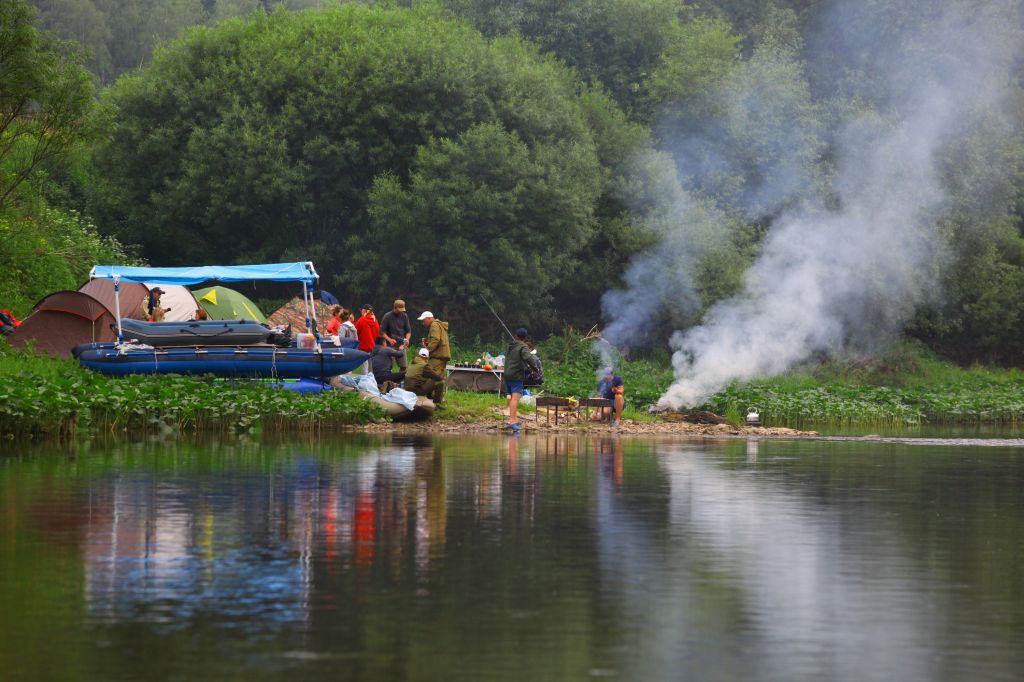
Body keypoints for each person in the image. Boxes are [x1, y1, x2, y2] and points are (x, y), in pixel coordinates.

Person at [503, 327, 541, 432]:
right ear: (525, 337)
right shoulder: (523, 346)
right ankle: (512, 421)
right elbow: (528, 357)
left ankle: (513, 419)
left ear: (516, 335)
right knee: (516, 398)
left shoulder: (511, 345)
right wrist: (535, 368)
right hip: (516, 375)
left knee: (511, 398)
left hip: (507, 374)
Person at [418, 310, 450, 403]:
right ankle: (435, 398)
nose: (423, 323)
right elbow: (437, 340)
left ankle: (437, 399)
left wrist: (426, 351)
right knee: (436, 376)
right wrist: (428, 343)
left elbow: (435, 340)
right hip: (440, 355)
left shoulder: (434, 325)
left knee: (431, 375)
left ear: (429, 318)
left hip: (438, 356)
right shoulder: (437, 324)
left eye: (423, 320)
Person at [379, 299, 412, 370]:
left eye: (402, 310)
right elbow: (382, 331)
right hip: (389, 345)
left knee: (404, 366)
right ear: (395, 307)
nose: (401, 312)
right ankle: (387, 380)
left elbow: (408, 331)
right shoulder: (387, 316)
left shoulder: (405, 316)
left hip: (401, 345)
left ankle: (400, 381)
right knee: (388, 366)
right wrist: (389, 339)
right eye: (399, 310)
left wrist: (407, 340)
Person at [354, 304, 380, 374]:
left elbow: (355, 331)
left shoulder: (361, 320)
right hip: (373, 348)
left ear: (364, 310)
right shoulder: (376, 321)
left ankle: (364, 383)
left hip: (364, 348)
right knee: (371, 370)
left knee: (364, 369)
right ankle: (371, 382)